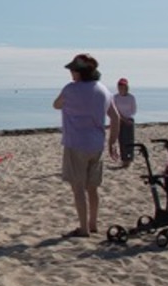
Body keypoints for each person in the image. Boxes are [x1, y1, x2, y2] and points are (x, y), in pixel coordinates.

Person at [53, 53, 120, 238]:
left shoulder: (70, 90)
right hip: (96, 144)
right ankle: (93, 223)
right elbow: (115, 117)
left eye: (73, 70)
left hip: (76, 143)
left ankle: (83, 228)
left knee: (78, 187)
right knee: (92, 187)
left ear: (80, 72)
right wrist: (112, 142)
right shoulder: (103, 90)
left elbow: (56, 105)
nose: (71, 74)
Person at [113, 78, 137, 168]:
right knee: (121, 140)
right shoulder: (115, 97)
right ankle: (124, 159)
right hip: (119, 120)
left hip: (129, 120)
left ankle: (129, 159)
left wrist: (127, 118)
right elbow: (114, 110)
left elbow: (133, 110)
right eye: (119, 87)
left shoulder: (131, 97)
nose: (121, 88)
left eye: (123, 86)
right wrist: (122, 118)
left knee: (129, 140)